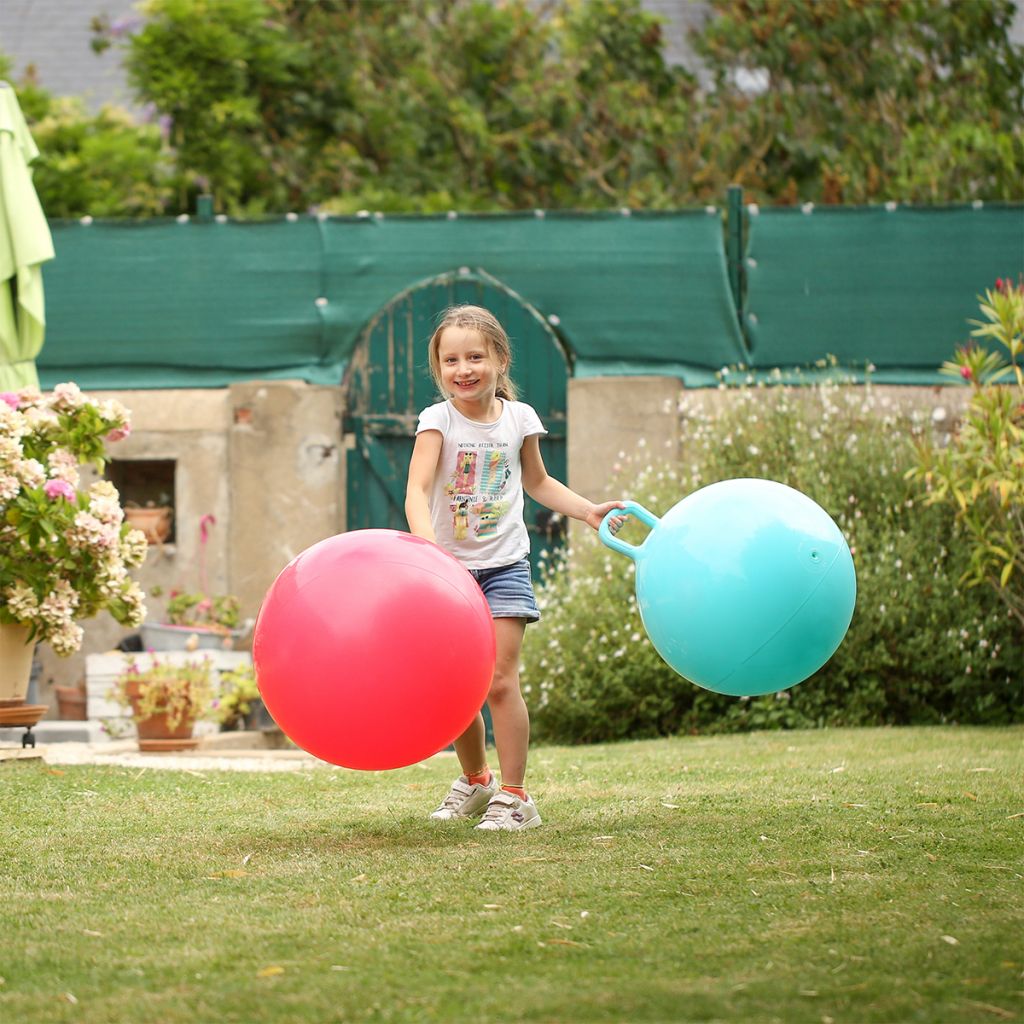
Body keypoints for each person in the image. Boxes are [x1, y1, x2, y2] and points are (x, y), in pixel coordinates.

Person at [405, 304, 624, 832]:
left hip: (503, 566)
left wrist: (587, 511)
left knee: (498, 683)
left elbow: (538, 482)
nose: (464, 369)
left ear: (500, 359)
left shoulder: (520, 419)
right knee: (459, 685)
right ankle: (477, 780)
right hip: (448, 574)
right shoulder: (438, 420)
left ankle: (516, 796)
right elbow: (416, 491)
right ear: (439, 368)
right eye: (451, 360)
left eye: (475, 356)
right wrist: (431, 555)